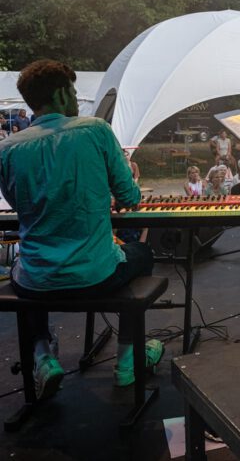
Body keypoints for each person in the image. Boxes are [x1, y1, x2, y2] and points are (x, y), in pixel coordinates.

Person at [0, 60, 163, 399]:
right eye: (73, 93)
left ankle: (43, 357)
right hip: (96, 274)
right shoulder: (95, 130)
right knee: (142, 253)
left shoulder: (7, 149)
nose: (76, 99)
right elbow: (130, 197)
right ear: (61, 94)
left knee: (23, 267)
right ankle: (127, 362)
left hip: (36, 281)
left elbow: (18, 202)